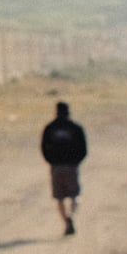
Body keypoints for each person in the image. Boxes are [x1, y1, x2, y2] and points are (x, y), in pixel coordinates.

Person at [40, 101, 87, 236]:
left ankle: (66, 220)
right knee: (75, 196)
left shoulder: (50, 128)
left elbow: (44, 148)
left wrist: (52, 161)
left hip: (56, 167)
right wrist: (75, 162)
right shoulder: (76, 128)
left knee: (59, 198)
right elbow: (84, 149)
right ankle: (71, 215)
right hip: (72, 167)